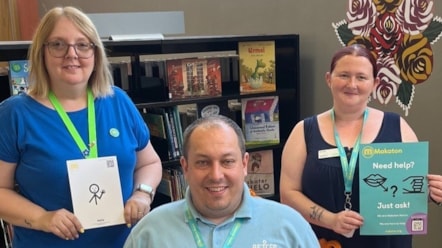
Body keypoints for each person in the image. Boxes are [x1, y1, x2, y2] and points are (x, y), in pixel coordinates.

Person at [0, 6, 162, 248]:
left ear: (95, 53)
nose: (71, 54)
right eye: (58, 44)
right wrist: (42, 218)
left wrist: (143, 193)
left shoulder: (117, 101)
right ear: (41, 52)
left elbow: (149, 162)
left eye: (83, 45)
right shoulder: (15, 113)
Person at [280, 44, 442, 248]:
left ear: (374, 83)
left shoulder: (398, 127)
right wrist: (331, 220)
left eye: (361, 77)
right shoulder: (304, 131)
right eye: (344, 75)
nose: (352, 84)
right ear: (329, 79)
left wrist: (431, 192)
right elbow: (288, 194)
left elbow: (410, 190)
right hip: (325, 241)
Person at [124, 115, 320, 247]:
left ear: (244, 164)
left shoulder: (289, 226)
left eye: (227, 161)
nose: (216, 175)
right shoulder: (149, 233)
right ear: (185, 167)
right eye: (203, 162)